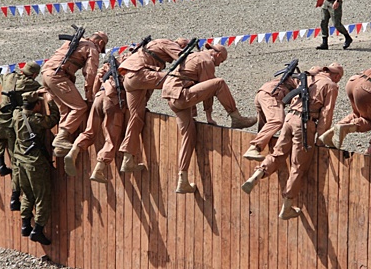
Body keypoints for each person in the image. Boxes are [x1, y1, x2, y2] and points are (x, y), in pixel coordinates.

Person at [241, 63, 343, 220]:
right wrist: (321, 137)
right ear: (336, 76)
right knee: (298, 167)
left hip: (289, 118)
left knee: (278, 153)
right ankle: (287, 206)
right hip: (304, 124)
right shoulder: (331, 86)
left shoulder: (308, 78)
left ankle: (256, 175)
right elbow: (326, 113)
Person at [161, 43, 257, 193]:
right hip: (181, 95)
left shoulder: (194, 56)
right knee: (219, 83)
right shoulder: (206, 61)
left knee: (189, 136)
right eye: (221, 61)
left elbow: (203, 88)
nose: (219, 64)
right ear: (217, 54)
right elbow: (209, 90)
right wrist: (209, 116)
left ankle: (183, 179)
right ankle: (237, 117)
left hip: (172, 98)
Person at [117, 38, 188, 172]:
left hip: (129, 78)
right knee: (178, 81)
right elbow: (184, 58)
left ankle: (128, 158)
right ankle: (188, 111)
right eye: (183, 46)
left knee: (136, 116)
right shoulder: (169, 43)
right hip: (140, 74)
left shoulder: (154, 44)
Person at [40, 31, 108, 157]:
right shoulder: (91, 48)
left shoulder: (73, 42)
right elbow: (90, 73)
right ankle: (60, 138)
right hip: (58, 76)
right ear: (100, 42)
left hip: (46, 74)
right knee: (80, 107)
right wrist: (90, 96)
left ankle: (60, 146)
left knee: (66, 109)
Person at [64, 53, 129, 182]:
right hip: (114, 100)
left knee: (89, 130)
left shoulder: (109, 64)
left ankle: (74, 150)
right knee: (111, 138)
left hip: (99, 97)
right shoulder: (131, 66)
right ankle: (99, 169)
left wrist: (94, 97)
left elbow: (97, 80)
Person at [0, 62, 42, 211]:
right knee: (16, 164)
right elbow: (41, 91)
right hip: (10, 125)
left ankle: (0, 162)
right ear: (33, 75)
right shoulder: (31, 84)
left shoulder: (9, 76)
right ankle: (14, 197)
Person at [13, 90, 60, 245]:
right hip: (35, 163)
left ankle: (25, 225)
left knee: (27, 194)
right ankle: (38, 230)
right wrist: (50, 100)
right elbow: (54, 118)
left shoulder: (17, 115)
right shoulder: (35, 120)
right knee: (42, 196)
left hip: (20, 161)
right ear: (37, 105)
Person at [243, 72, 299, 161]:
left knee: (265, 125)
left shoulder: (296, 77)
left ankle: (261, 149)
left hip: (262, 93)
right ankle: (254, 148)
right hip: (271, 95)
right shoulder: (306, 80)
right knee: (277, 121)